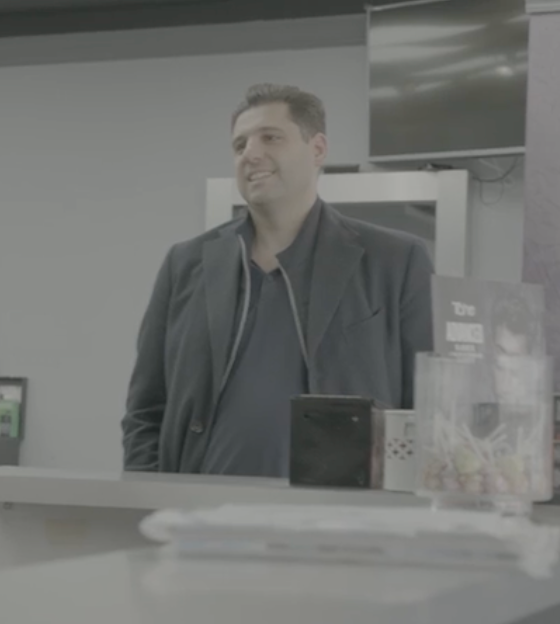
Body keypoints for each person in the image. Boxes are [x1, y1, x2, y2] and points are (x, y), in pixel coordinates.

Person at [122, 83, 434, 477]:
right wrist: (148, 495)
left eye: (271, 137)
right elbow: (146, 410)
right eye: (239, 145)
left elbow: (427, 406)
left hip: (340, 520)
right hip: (203, 516)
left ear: (317, 149)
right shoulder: (186, 264)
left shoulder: (395, 260)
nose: (251, 154)